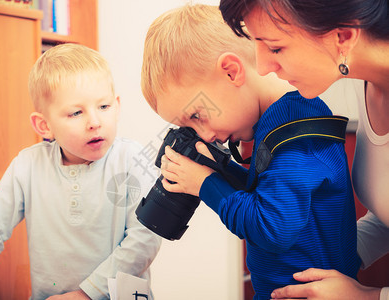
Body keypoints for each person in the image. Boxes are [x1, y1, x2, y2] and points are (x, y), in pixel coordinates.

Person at [140, 4, 360, 300]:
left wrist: (206, 184)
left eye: (197, 115)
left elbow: (273, 228)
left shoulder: (297, 136)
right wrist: (220, 168)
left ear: (231, 72)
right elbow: (267, 196)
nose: (204, 135)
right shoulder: (281, 123)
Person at [0, 43, 161, 300]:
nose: (94, 122)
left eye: (103, 107)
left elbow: (144, 240)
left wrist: (85, 294)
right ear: (44, 125)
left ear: (116, 106)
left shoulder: (132, 159)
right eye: (76, 112)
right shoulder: (27, 166)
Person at [219, 0, 389, 299]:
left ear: (343, 37)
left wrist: (367, 296)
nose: (262, 67)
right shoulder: (369, 85)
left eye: (275, 48)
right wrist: (332, 260)